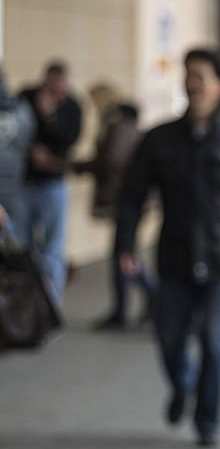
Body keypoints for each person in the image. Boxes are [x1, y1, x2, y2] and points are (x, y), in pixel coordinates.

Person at [116, 48, 220, 449]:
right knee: (169, 337)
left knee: (215, 342)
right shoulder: (160, 139)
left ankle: (208, 420)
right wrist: (125, 245)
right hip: (175, 256)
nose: (192, 83)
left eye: (201, 76)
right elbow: (132, 197)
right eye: (188, 75)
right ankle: (183, 384)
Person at [74, 84, 155, 330]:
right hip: (129, 199)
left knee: (124, 254)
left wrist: (79, 166)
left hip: (127, 200)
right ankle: (130, 306)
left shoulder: (119, 127)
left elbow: (112, 162)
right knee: (124, 254)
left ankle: (151, 299)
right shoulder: (129, 126)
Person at [18, 61, 82, 306]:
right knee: (23, 245)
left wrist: (50, 116)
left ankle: (50, 302)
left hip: (53, 184)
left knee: (53, 247)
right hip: (25, 183)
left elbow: (70, 138)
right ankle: (23, 302)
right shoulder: (26, 97)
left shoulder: (72, 106)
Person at [0, 69, 35, 233]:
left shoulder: (20, 109)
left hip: (14, 185)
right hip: (16, 184)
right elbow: (27, 139)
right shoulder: (21, 110)